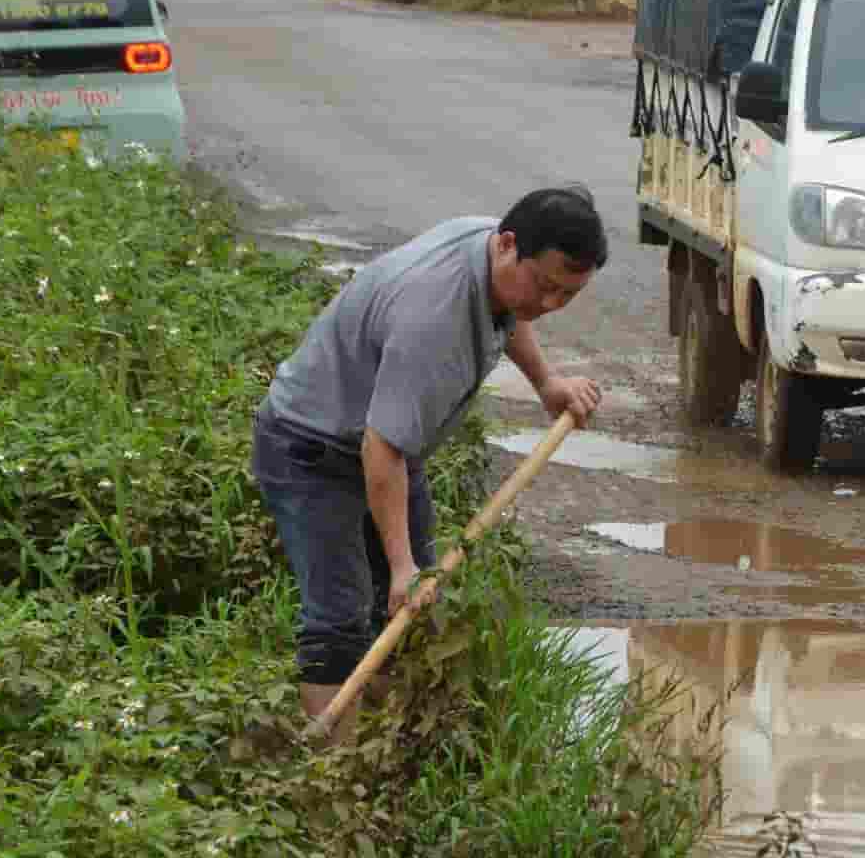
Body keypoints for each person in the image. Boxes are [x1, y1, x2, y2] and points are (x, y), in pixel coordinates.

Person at [250, 186, 608, 734]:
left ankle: (381, 746)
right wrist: (401, 568)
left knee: (410, 612)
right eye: (546, 286)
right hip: (311, 449)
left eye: (568, 295)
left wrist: (547, 382)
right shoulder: (433, 315)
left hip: (381, 443)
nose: (551, 304)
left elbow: (510, 312)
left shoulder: (494, 249)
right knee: (342, 616)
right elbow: (382, 448)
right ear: (509, 245)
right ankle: (327, 770)